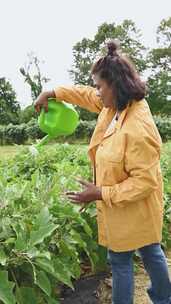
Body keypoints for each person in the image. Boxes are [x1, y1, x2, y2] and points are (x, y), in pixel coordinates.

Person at [34, 40, 171, 303]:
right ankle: (164, 297)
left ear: (115, 84)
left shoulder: (138, 128)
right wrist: (52, 92)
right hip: (126, 204)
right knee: (150, 248)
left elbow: (145, 182)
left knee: (121, 259)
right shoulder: (116, 105)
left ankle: (160, 298)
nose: (96, 92)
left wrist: (100, 192)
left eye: (99, 86)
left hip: (134, 202)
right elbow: (85, 95)